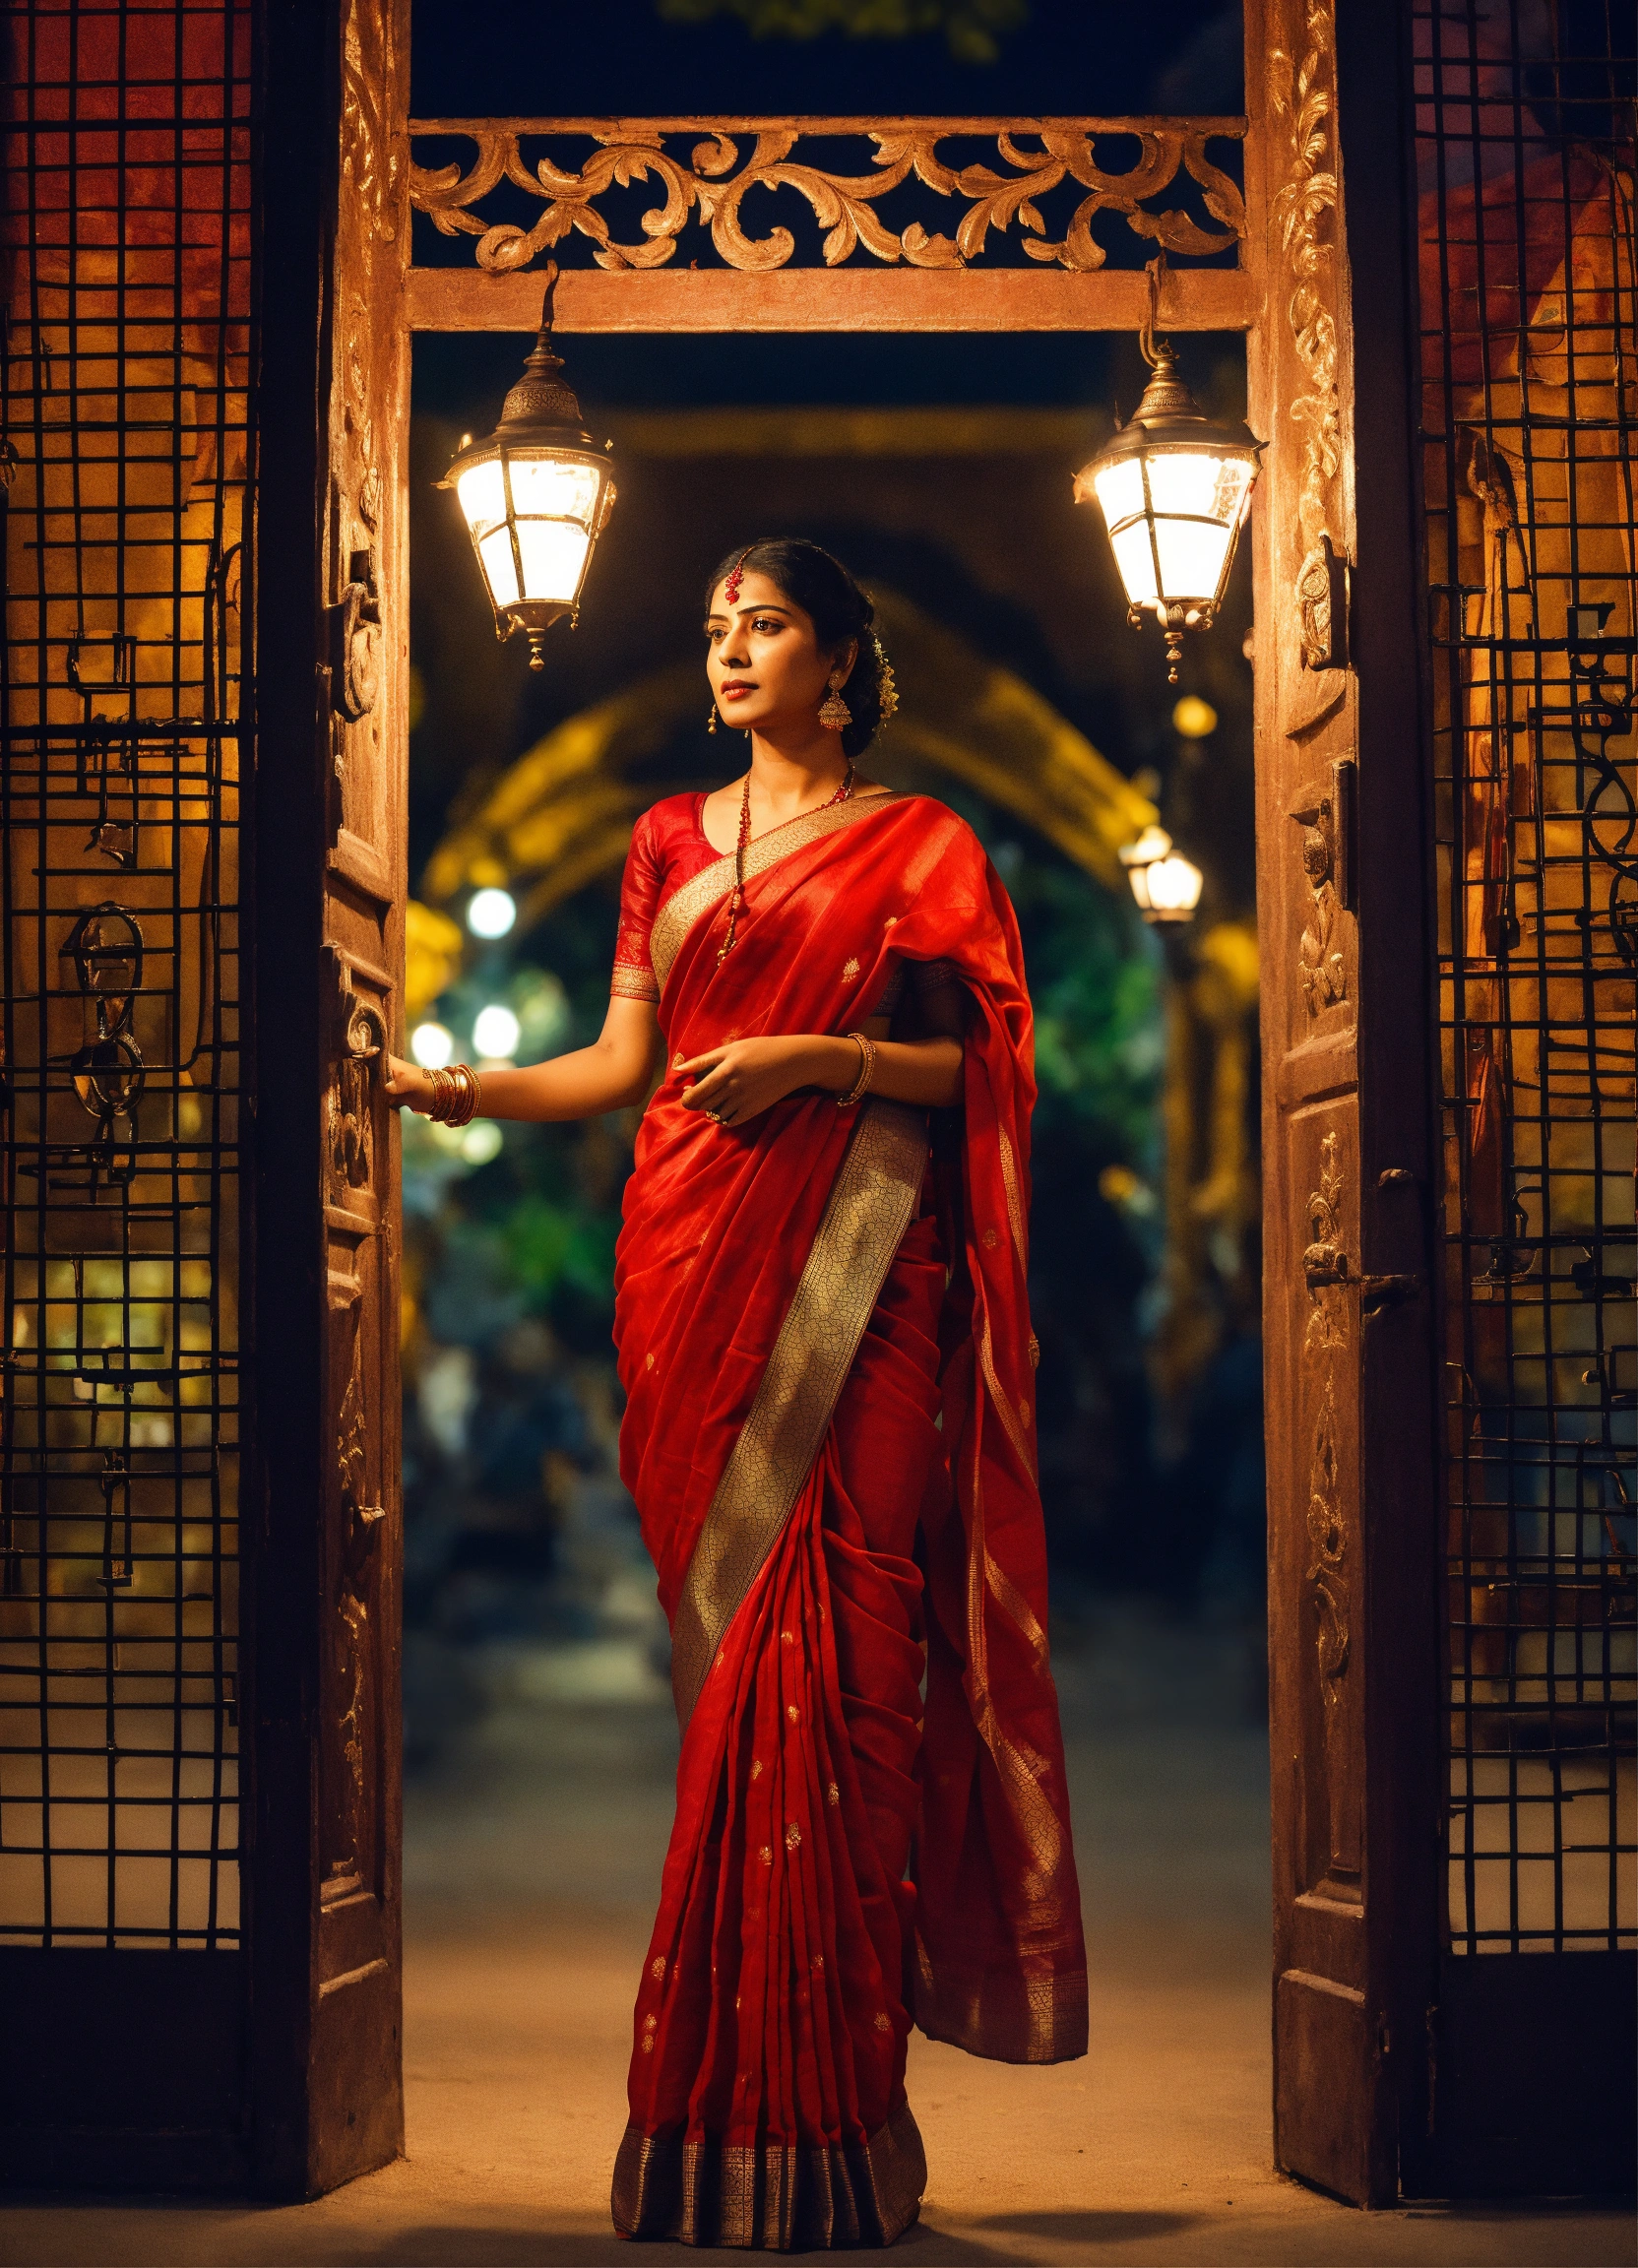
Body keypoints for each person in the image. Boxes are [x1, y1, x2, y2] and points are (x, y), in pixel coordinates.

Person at [386, 538, 1087, 2249]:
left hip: (867, 1275)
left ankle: (835, 2115)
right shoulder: (662, 844)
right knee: (733, 1682)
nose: (730, 651)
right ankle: (726, 2122)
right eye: (713, 629)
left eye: (764, 625)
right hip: (690, 1261)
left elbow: (986, 1074)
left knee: (849, 1665)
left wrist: (816, 1061)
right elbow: (624, 1063)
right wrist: (455, 1081)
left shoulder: (924, 847)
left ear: (839, 656)